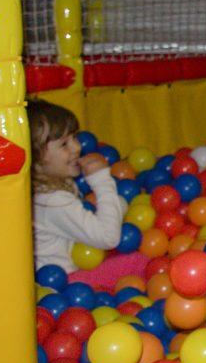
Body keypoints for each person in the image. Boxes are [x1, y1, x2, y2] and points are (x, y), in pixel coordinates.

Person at [30, 100, 145, 289]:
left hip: (76, 265)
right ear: (36, 159)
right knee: (140, 261)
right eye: (64, 144)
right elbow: (108, 237)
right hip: (67, 284)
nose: (76, 147)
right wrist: (102, 180)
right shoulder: (54, 201)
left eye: (74, 137)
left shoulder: (48, 186)